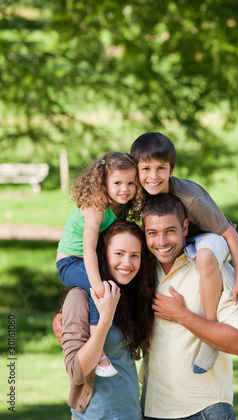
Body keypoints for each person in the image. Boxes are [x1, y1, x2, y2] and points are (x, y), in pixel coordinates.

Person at [130, 132, 238, 374]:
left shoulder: (190, 197)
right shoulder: (136, 192)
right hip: (177, 240)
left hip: (210, 237)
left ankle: (210, 333)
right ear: (136, 170)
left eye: (160, 169)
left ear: (171, 170)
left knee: (205, 256)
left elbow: (231, 235)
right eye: (145, 169)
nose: (153, 176)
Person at [140, 194, 238, 420]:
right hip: (153, 409)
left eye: (170, 231)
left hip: (205, 410)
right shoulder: (141, 272)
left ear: (185, 227)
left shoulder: (212, 268)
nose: (161, 241)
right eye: (152, 233)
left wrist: (183, 316)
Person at [56, 151, 144, 377]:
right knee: (101, 292)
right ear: (103, 182)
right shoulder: (96, 206)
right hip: (71, 262)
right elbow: (88, 247)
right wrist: (97, 284)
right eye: (117, 183)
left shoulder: (120, 206)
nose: (125, 188)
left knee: (120, 290)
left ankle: (130, 338)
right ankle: (99, 354)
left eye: (130, 183)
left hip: (88, 260)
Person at [60, 219, 156, 420]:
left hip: (132, 414)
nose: (127, 263)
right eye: (119, 254)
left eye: (135, 256)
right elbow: (76, 373)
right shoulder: (79, 297)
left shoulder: (130, 295)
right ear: (103, 255)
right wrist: (104, 320)